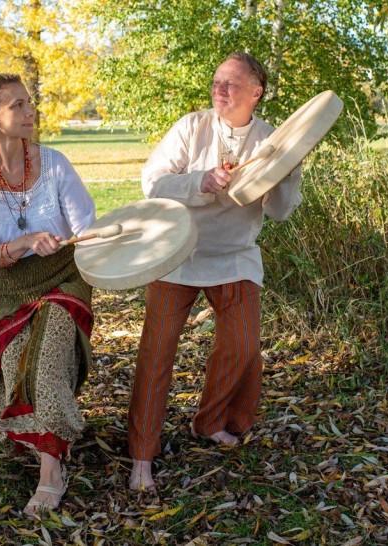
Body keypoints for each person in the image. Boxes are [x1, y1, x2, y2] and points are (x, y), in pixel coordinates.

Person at [127, 52, 303, 491]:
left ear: (256, 93)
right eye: (217, 81)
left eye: (231, 83)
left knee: (242, 348)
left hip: (234, 255)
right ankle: (142, 454)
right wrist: (199, 182)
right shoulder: (192, 127)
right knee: (156, 355)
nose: (219, 89)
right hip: (177, 252)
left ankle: (210, 422)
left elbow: (280, 212)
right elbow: (152, 182)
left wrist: (288, 173)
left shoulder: (272, 140)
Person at [0, 74, 96, 516]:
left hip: (65, 277)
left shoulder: (54, 163)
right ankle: (44, 437)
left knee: (46, 358)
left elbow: (87, 229)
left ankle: (51, 471)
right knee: (17, 366)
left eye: (29, 102)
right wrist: (24, 242)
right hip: (11, 289)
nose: (30, 110)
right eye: (17, 105)